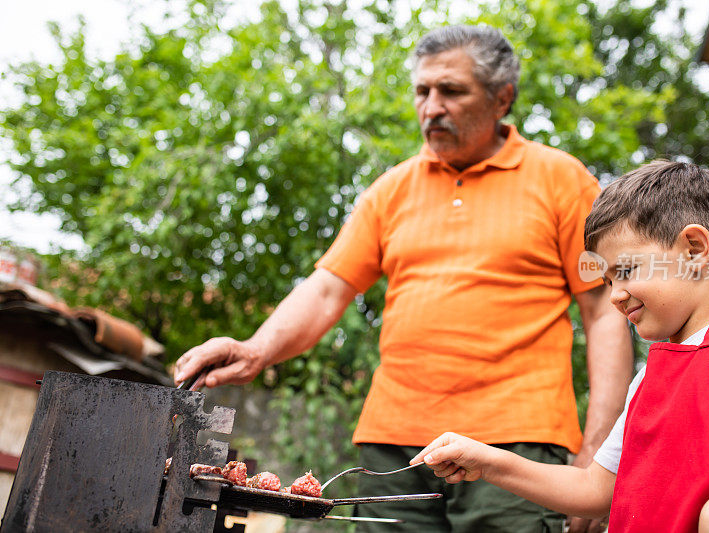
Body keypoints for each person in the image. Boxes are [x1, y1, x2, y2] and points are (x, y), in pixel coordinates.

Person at [174, 25, 633, 532]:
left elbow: (604, 311)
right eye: (422, 91)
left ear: (502, 98)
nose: (431, 106)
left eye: (452, 91)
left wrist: (599, 454)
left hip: (517, 445)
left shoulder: (563, 180)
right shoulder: (390, 190)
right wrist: (256, 349)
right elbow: (328, 288)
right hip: (394, 449)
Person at [412, 161, 709, 533]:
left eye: (627, 271)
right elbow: (596, 490)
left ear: (694, 250)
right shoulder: (649, 377)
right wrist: (489, 462)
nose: (615, 296)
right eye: (608, 281)